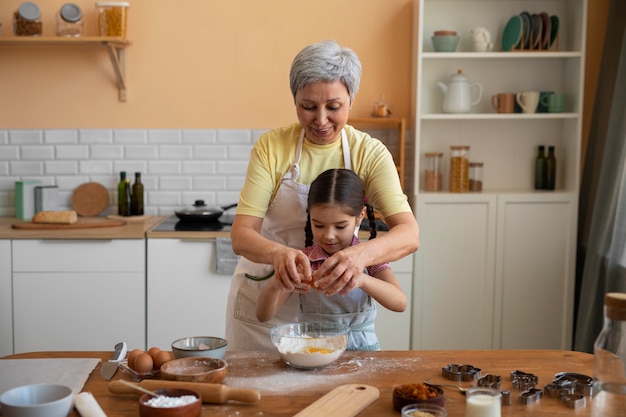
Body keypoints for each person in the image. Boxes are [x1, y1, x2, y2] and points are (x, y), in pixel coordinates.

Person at [226, 39, 419, 350]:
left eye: (333, 107)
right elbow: (241, 235)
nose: (320, 119)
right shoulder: (271, 148)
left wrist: (359, 257)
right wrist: (280, 257)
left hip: (335, 323)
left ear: (351, 99)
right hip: (267, 300)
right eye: (308, 106)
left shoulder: (368, 153)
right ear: (295, 101)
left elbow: (409, 234)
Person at [256, 169, 408, 350]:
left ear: (360, 216)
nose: (328, 235)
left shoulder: (369, 258)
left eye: (340, 226)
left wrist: (362, 280)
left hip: (362, 354)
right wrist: (277, 282)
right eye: (318, 225)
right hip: (314, 353)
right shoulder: (304, 261)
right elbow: (263, 315)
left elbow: (400, 303)